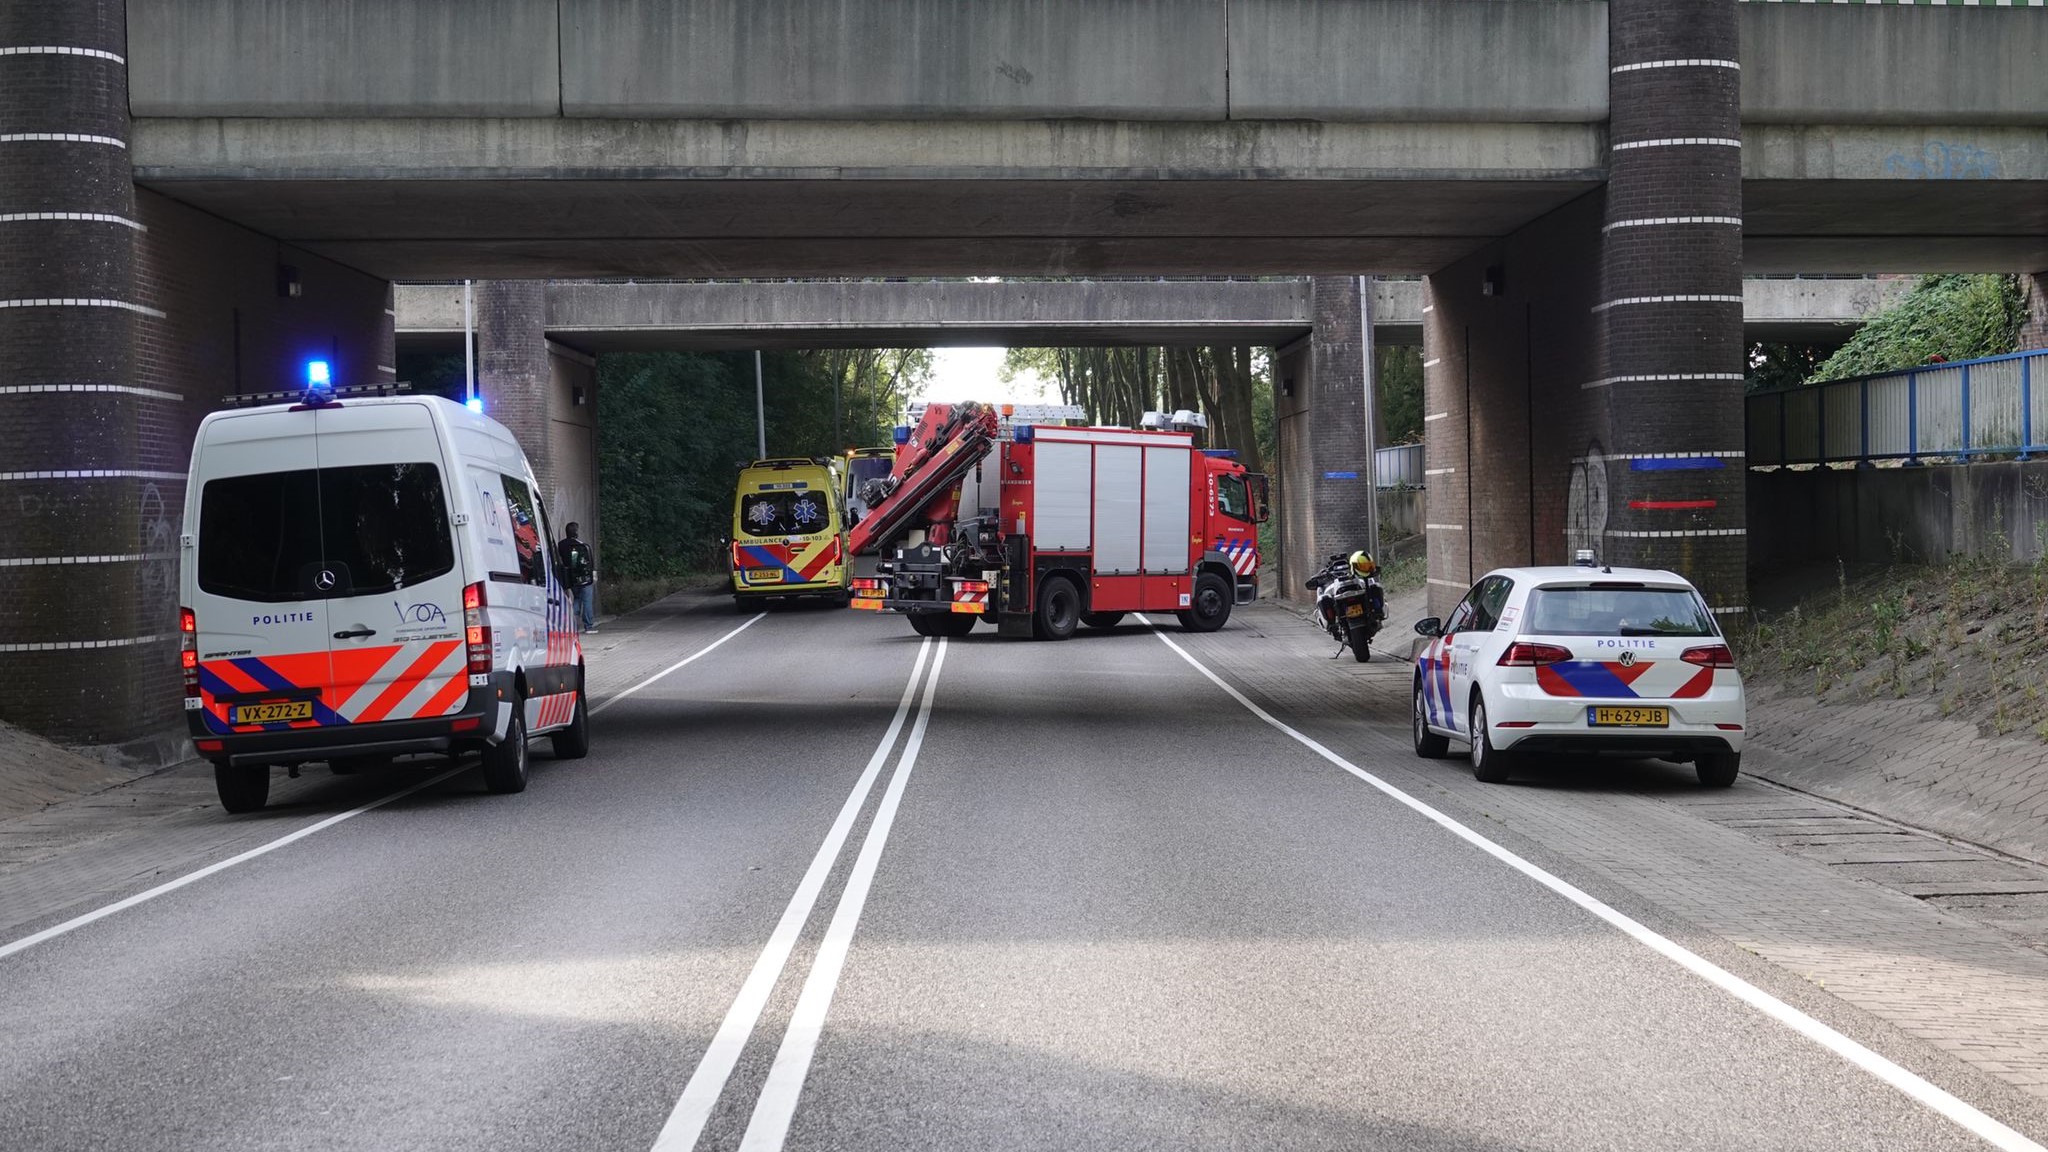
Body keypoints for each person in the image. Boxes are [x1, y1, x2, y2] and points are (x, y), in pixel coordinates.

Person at [559, 522, 597, 632]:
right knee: (587, 601)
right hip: (583, 577)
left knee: (577, 599)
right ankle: (588, 626)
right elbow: (585, 560)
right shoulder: (580, 545)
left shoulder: (561, 545)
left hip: (570, 578)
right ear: (576, 532)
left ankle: (572, 624)